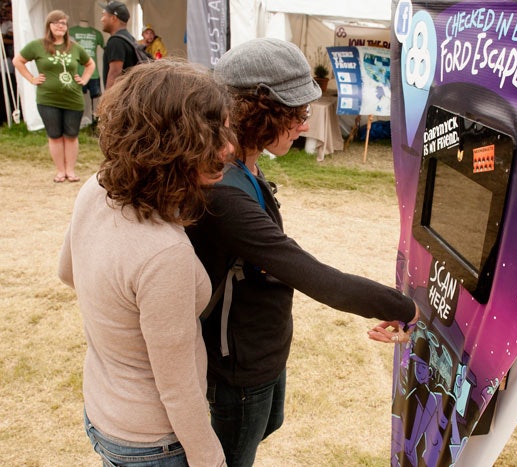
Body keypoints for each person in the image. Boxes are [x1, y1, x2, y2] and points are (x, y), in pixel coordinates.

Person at [185, 37, 420, 467]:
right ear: (255, 113)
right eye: (295, 114)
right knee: (232, 456)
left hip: (263, 344)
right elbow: (313, 275)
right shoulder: (222, 191)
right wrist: (405, 307)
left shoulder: (243, 163)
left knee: (267, 425)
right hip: (238, 359)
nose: (304, 126)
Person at [57, 59, 234, 466]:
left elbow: (67, 272)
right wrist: (211, 459)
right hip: (153, 442)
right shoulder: (164, 253)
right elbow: (178, 387)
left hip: (104, 413)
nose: (229, 147)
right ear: (174, 144)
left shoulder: (97, 187)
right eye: (215, 134)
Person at [12, 10, 95, 183]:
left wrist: (84, 79)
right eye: (56, 22)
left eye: (63, 23)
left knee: (71, 135)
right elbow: (17, 61)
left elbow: (90, 64)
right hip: (48, 99)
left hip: (73, 99)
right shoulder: (37, 46)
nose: (60, 26)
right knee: (55, 135)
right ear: (49, 25)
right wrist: (32, 79)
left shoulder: (74, 47)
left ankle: (70, 171)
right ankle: (60, 171)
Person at [69, 19, 104, 125]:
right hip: (78, 73)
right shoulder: (71, 32)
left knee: (96, 99)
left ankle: (96, 122)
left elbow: (104, 47)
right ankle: (77, 121)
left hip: (94, 73)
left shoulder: (97, 34)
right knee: (77, 98)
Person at [99, 1, 137, 89]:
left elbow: (114, 74)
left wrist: (108, 96)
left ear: (113, 18)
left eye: (104, 15)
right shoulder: (130, 39)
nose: (102, 19)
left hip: (120, 95)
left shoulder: (116, 41)